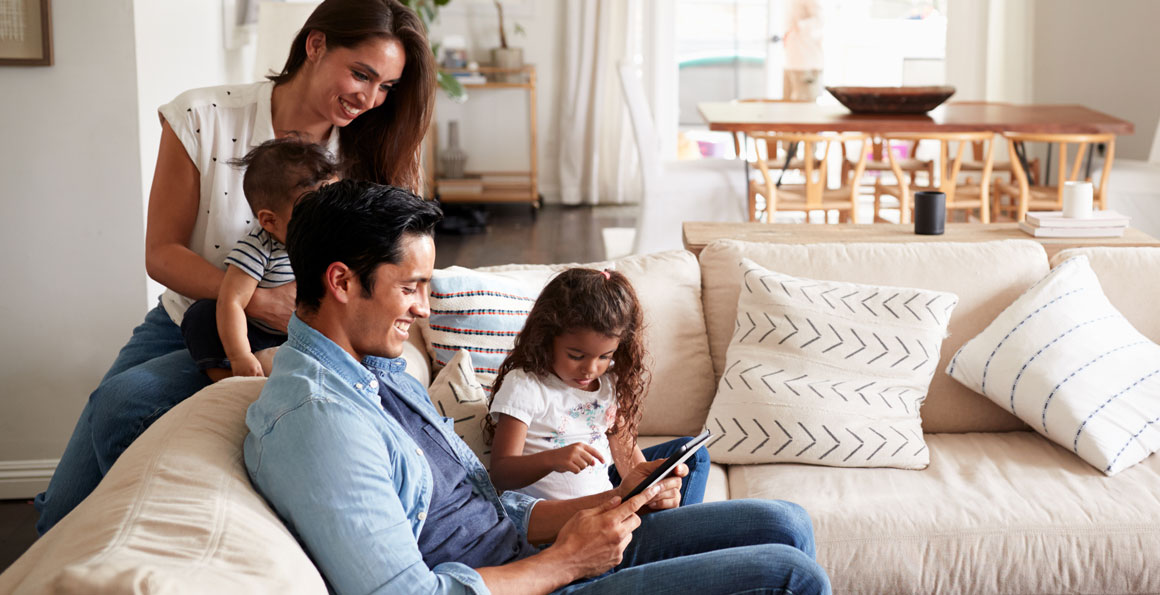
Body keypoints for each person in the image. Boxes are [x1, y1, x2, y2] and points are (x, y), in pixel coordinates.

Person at [244, 179, 831, 595]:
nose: (423, 309)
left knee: (786, 522)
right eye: (411, 288)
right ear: (343, 282)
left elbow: (490, 509)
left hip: (528, 549)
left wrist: (616, 499)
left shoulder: (381, 373)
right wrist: (568, 562)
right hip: (530, 582)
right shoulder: (318, 422)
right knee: (791, 575)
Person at [34, 0, 435, 534]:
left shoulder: (368, 152)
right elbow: (162, 253)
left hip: (291, 333)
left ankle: (137, 539)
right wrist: (251, 297)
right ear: (315, 45)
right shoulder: (202, 116)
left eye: (386, 86)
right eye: (361, 73)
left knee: (124, 403)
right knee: (65, 504)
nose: (370, 98)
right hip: (187, 317)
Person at [486, 269, 709, 505]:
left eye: (604, 356)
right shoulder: (526, 385)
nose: (590, 369)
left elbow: (630, 463)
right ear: (547, 337)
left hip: (608, 501)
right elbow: (501, 473)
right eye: (576, 355)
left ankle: (673, 525)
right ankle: (677, 530)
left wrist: (651, 491)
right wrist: (552, 459)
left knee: (694, 457)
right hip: (564, 518)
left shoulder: (608, 383)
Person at [178, 138, 339, 382]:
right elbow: (231, 301)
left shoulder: (333, 242)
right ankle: (227, 378)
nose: (327, 222)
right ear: (270, 221)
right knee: (203, 314)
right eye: (312, 214)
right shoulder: (259, 248)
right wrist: (240, 355)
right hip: (258, 335)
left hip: (307, 335)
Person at [782, 0, 824, 102]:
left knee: (804, 107)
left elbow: (820, 20)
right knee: (787, 105)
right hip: (791, 62)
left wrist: (797, 27)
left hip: (806, 64)